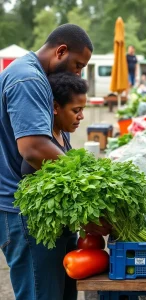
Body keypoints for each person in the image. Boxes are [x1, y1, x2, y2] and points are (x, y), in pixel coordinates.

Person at [0, 24, 109, 300]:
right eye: (77, 65)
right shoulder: (27, 78)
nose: (78, 74)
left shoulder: (35, 76)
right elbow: (35, 149)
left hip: (42, 210)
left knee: (62, 291)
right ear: (60, 51)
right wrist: (89, 188)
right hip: (23, 213)